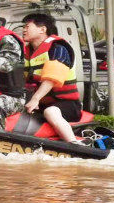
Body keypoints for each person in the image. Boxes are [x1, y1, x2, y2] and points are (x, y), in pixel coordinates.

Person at [21, 13, 82, 143]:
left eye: (27, 26)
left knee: (51, 112)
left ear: (43, 29)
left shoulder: (58, 48)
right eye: (23, 27)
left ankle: (74, 145)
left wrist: (35, 99)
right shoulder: (26, 52)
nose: (23, 30)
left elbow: (52, 78)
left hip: (66, 104)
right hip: (40, 103)